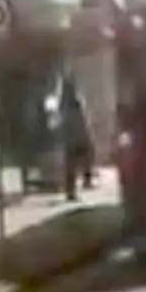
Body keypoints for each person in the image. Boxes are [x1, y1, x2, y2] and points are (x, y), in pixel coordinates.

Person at [56, 72, 96, 200]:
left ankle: (73, 189)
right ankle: (76, 188)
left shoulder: (65, 103)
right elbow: (81, 118)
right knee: (79, 161)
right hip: (77, 135)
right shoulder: (73, 101)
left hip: (73, 136)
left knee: (74, 164)